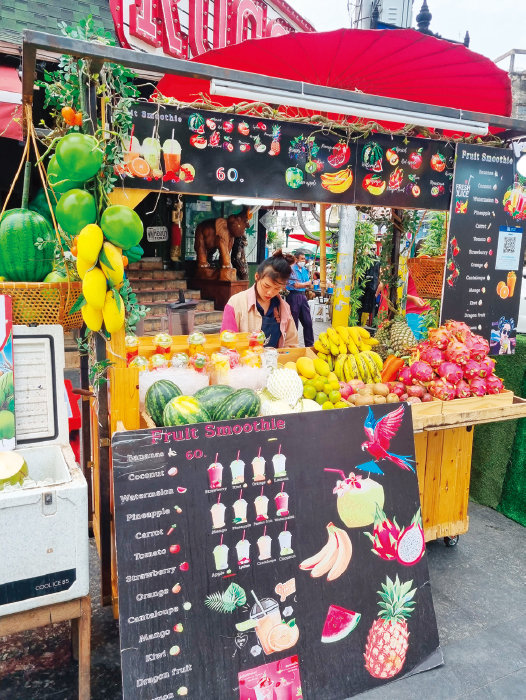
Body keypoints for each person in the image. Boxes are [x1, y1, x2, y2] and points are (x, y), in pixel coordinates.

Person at [221, 250, 299, 348]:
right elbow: (227, 344)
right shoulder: (235, 303)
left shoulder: (284, 308)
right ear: (257, 277)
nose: (270, 292)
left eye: (277, 288)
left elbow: (291, 344)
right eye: (266, 286)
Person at [286, 252, 315, 347]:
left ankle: (310, 345)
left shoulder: (304, 270)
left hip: (303, 296)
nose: (304, 261)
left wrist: (305, 284)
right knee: (294, 323)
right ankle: (292, 345)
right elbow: (296, 285)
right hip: (293, 296)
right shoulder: (291, 269)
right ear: (296, 259)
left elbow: (309, 284)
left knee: (308, 321)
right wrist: (306, 283)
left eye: (304, 259)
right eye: (302, 258)